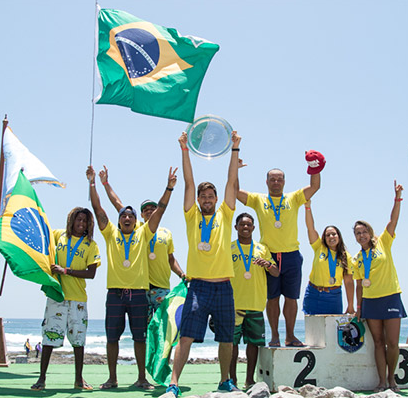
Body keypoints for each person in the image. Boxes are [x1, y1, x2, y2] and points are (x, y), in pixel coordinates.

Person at [166, 131, 242, 397]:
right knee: (186, 336)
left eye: (211, 196)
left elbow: (231, 181)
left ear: (216, 198)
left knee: (226, 338)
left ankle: (224, 381)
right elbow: (189, 182)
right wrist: (185, 150)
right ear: (198, 200)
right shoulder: (191, 216)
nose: (207, 200)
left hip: (223, 287)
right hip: (198, 287)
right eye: (204, 197)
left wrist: (234, 149)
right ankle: (174, 384)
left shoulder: (225, 212)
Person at [88, 165, 177, 390]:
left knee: (140, 338)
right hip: (115, 294)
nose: (127, 217)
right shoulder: (110, 233)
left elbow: (161, 210)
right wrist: (93, 182)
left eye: (131, 216)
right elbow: (98, 208)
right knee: (111, 339)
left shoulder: (143, 232)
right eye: (123, 216)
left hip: (138, 293)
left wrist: (169, 187)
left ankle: (141, 378)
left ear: (136, 221)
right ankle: (112, 378)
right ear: (119, 221)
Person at [236, 153, 322, 347]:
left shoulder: (294, 198)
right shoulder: (258, 199)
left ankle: (290, 336)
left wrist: (314, 167)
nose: (276, 182)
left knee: (291, 299)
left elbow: (315, 186)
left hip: (292, 255)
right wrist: (236, 168)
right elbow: (234, 192)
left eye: (279, 179)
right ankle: (275, 336)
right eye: (272, 179)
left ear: (284, 182)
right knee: (272, 298)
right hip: (269, 256)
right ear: (266, 182)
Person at [100, 169, 187, 318]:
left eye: (153, 208)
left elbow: (171, 259)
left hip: (162, 287)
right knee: (143, 331)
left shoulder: (166, 233)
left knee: (162, 328)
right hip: (141, 289)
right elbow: (117, 204)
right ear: (140, 215)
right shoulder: (136, 229)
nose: (150, 211)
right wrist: (106, 183)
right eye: (145, 210)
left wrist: (181, 274)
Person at [31, 207, 99, 391]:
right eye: (78, 219)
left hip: (78, 299)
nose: (81, 224)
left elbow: (91, 273)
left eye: (85, 221)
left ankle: (78, 379)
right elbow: (41, 238)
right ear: (71, 220)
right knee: (48, 338)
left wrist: (65, 271)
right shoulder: (59, 235)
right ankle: (41, 378)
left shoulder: (90, 245)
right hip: (57, 296)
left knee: (78, 341)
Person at [352, 181, 407, 392]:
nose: (361, 235)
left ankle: (392, 380)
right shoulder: (357, 258)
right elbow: (358, 285)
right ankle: (381, 382)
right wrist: (358, 307)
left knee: (392, 342)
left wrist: (397, 197)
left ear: (370, 232)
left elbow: (393, 220)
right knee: (377, 342)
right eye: (357, 233)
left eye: (364, 231)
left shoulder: (384, 242)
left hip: (391, 297)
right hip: (370, 301)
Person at [224, 213, 278, 390]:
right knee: (231, 345)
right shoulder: (228, 247)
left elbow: (276, 272)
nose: (245, 227)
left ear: (254, 228)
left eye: (249, 225)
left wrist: (268, 265)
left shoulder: (262, 249)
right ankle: (232, 379)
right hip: (233, 305)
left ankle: (250, 380)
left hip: (255, 303)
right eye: (242, 224)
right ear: (236, 227)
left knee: (253, 344)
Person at [303, 200, 356, 317]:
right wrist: (307, 208)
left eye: (334, 234)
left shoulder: (346, 256)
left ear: (339, 236)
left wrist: (351, 304)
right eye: (328, 235)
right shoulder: (319, 247)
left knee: (332, 331)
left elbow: (348, 282)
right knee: (313, 331)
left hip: (333, 296)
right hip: (313, 294)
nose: (331, 237)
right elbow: (310, 228)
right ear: (324, 238)